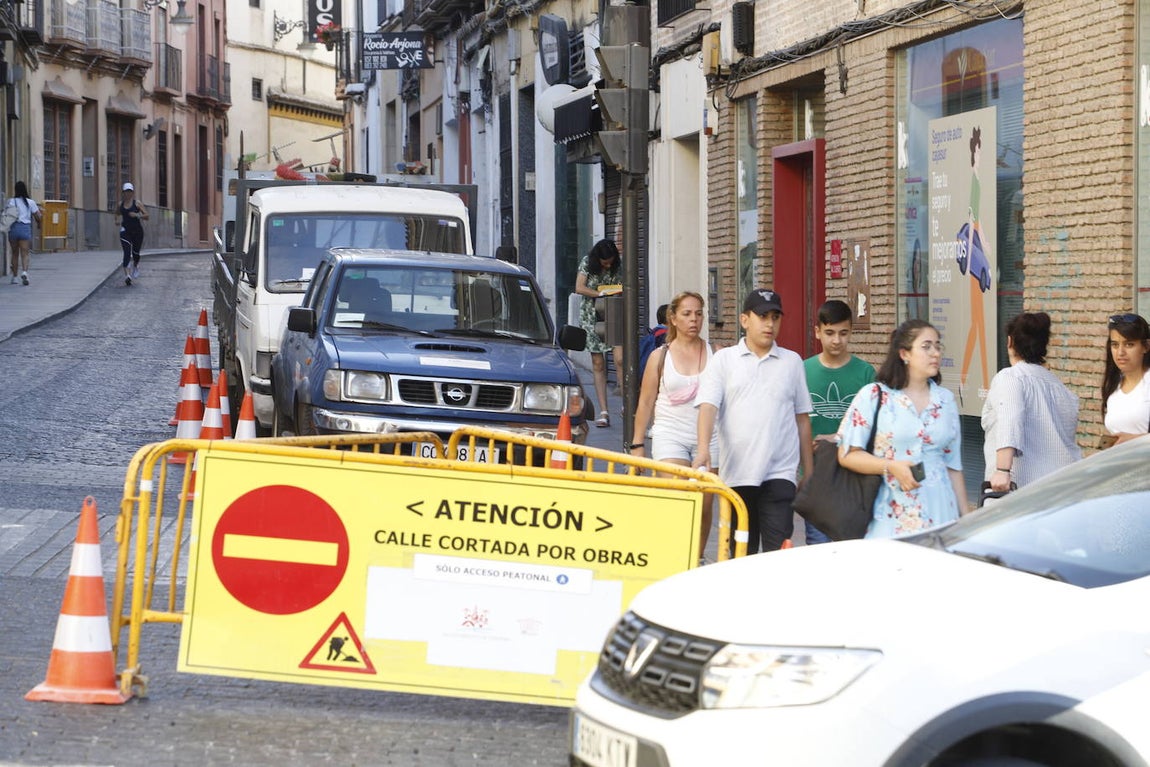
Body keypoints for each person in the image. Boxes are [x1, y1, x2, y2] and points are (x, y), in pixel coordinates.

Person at [693, 288, 814, 554]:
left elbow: (802, 419)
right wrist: (703, 448)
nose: (770, 324)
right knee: (741, 554)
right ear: (744, 320)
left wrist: (808, 469)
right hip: (738, 474)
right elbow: (708, 406)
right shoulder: (724, 360)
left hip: (780, 473)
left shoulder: (792, 362)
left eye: (775, 317)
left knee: (778, 553)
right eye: (762, 316)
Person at [838, 319, 969, 538]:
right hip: (890, 512)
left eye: (938, 346)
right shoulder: (874, 395)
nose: (935, 353)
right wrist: (890, 466)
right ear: (904, 354)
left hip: (941, 510)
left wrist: (966, 519)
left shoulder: (945, 400)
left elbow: (953, 466)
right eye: (926, 346)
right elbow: (847, 454)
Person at [630, 291, 718, 555]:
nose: (694, 320)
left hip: (709, 438)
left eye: (699, 313)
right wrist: (637, 445)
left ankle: (697, 558)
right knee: (678, 498)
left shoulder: (717, 354)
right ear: (673, 319)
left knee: (703, 504)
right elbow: (645, 402)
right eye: (687, 314)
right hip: (671, 434)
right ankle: (673, 556)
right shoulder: (660, 357)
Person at [981, 312, 1082, 491]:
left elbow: (1009, 420)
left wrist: (1002, 470)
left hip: (1022, 490)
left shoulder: (1010, 378)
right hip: (1061, 487)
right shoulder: (1062, 389)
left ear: (1010, 342)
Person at [802, 299, 875, 543]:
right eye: (830, 333)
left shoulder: (865, 373)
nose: (836, 340)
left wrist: (837, 438)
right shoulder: (802, 371)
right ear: (817, 332)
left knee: (852, 548)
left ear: (851, 332)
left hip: (854, 478)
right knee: (817, 547)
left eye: (844, 333)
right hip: (816, 476)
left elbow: (875, 426)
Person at [575, 239, 624, 427]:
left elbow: (624, 285)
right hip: (591, 315)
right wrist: (599, 294)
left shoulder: (617, 266)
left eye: (611, 261)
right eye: (605, 262)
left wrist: (615, 292)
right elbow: (579, 287)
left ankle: (625, 404)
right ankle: (603, 411)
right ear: (598, 259)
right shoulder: (587, 262)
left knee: (619, 359)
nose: (609, 265)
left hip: (613, 312)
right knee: (598, 363)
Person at [1100, 312, 1150, 447]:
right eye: (1115, 345)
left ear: (1145, 346)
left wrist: (1135, 441)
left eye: (1129, 345)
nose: (1120, 352)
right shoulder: (1114, 385)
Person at [6, 181, 42, 286]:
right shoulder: (30, 202)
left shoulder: (11, 201)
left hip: (14, 228)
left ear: (15, 190)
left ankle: (14, 277)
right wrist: (39, 222)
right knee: (25, 253)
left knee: (14, 253)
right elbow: (38, 217)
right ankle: (25, 272)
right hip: (25, 228)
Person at [117, 181, 149, 286]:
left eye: (130, 191)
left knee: (136, 253)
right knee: (126, 252)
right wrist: (117, 221)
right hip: (125, 231)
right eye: (126, 191)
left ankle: (135, 266)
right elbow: (116, 214)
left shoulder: (137, 203)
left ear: (132, 193)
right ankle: (127, 276)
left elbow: (147, 216)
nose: (128, 193)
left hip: (137, 232)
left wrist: (137, 215)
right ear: (123, 193)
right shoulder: (120, 204)